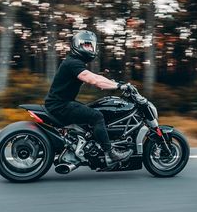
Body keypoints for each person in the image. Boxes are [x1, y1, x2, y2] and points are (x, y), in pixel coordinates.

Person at [45, 30, 133, 166]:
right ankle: (110, 154)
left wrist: (117, 84)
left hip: (62, 103)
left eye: (91, 45)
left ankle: (86, 147)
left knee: (91, 110)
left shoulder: (74, 62)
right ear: (77, 45)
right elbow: (94, 80)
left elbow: (97, 77)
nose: (90, 48)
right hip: (60, 105)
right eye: (86, 45)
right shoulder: (72, 63)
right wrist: (119, 86)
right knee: (96, 116)